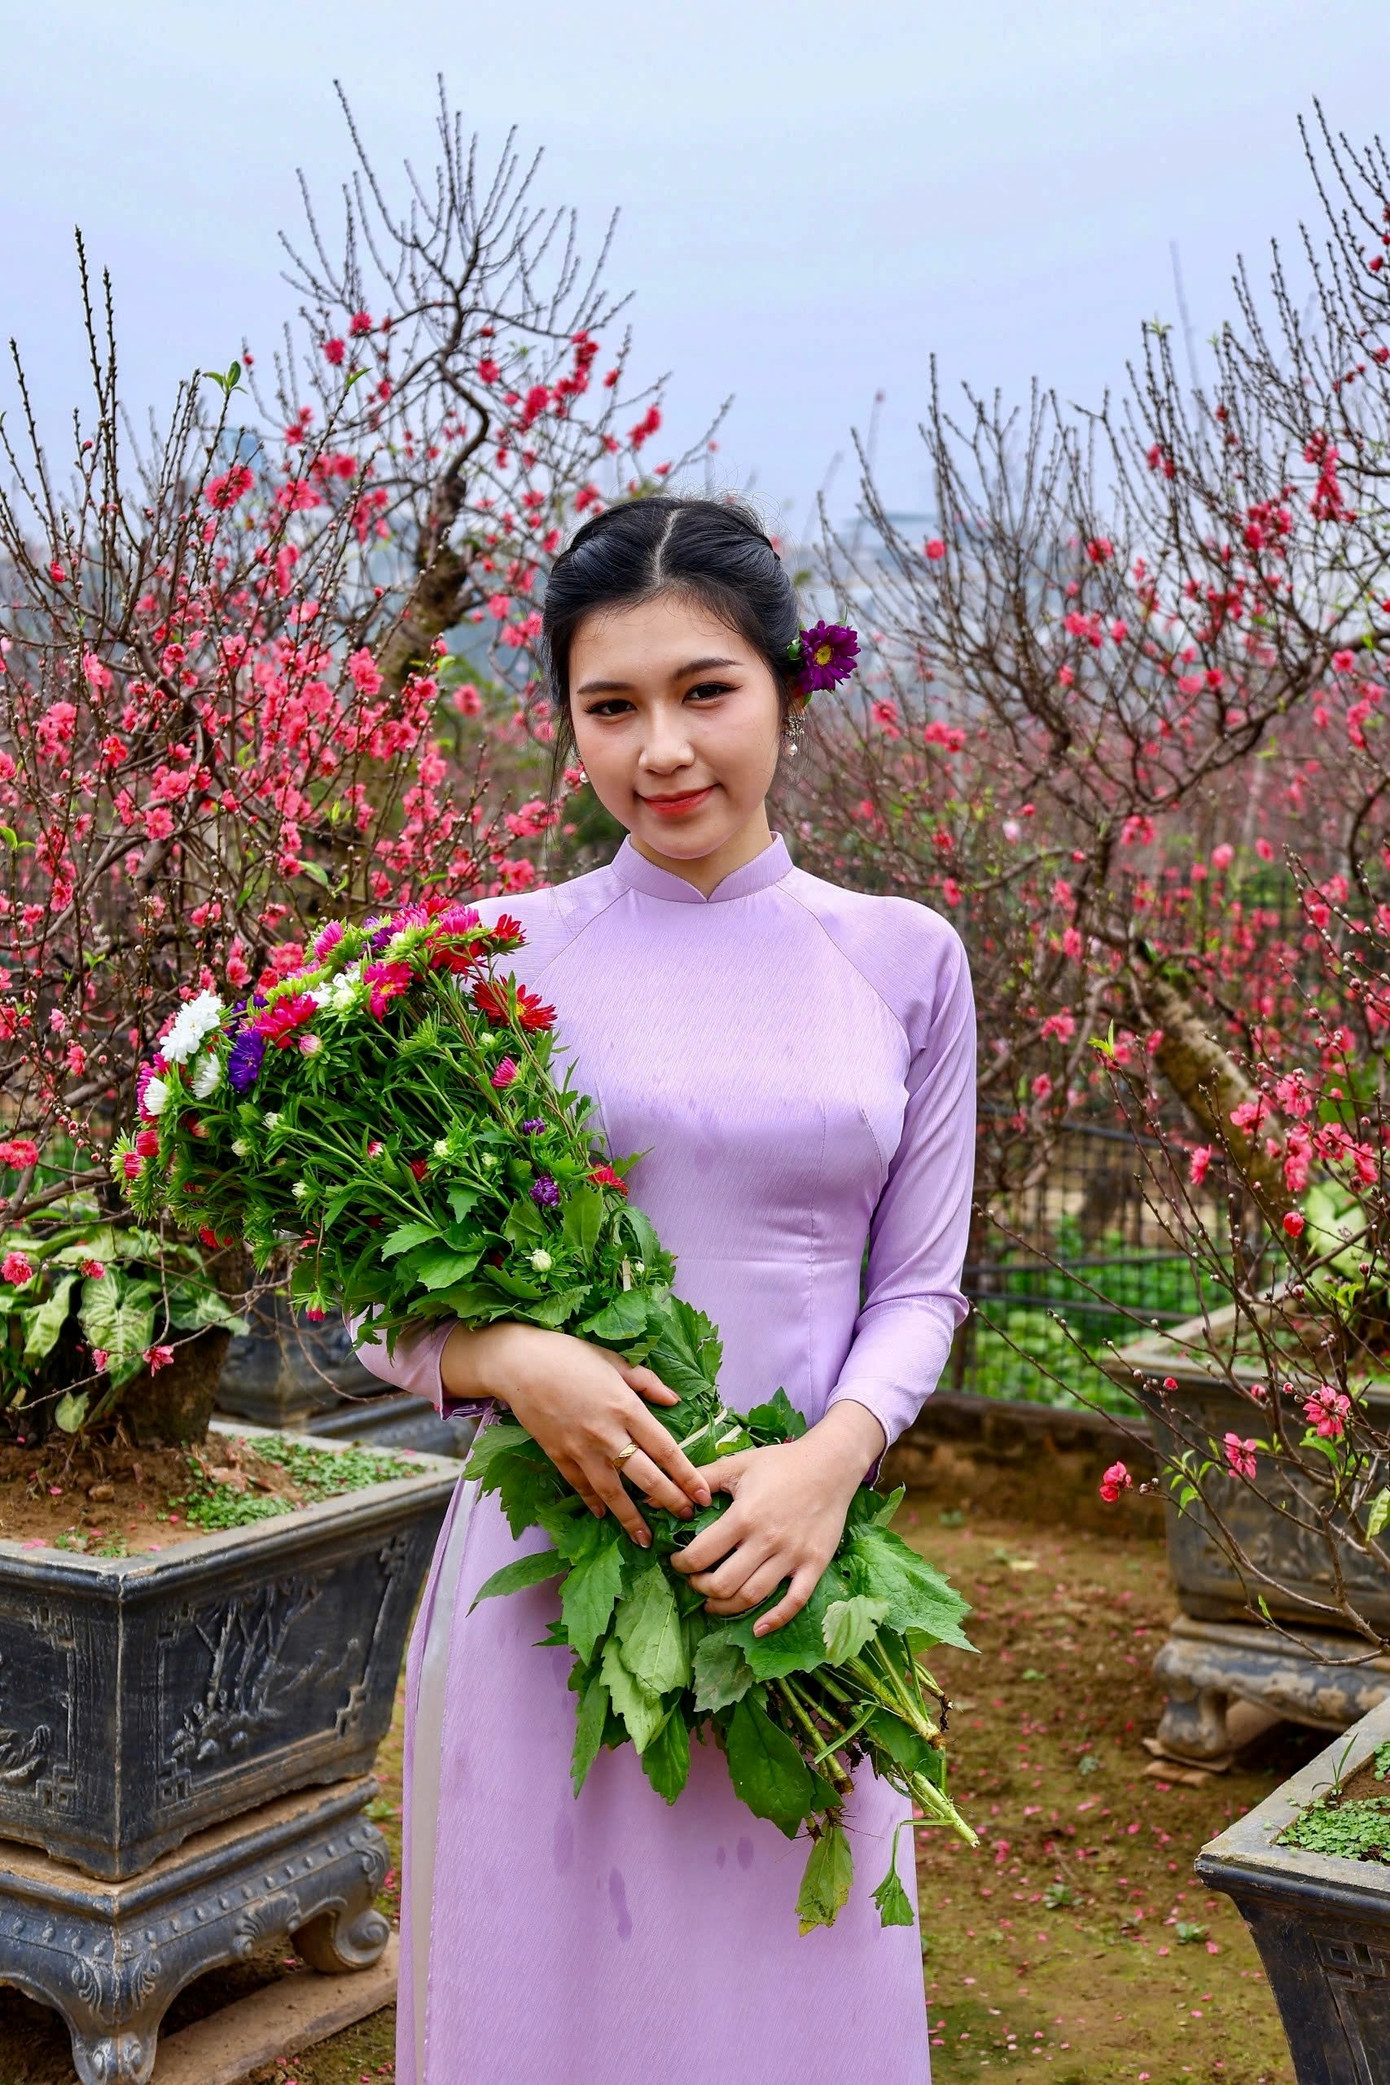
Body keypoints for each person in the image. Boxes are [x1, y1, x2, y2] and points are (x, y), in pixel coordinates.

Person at [353, 495, 977, 2085]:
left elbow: (917, 1287)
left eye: (705, 691)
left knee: (787, 1993)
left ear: (786, 683)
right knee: (537, 2004)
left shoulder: (902, 957)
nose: (662, 750)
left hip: (792, 1576)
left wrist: (828, 1465)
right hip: (540, 1580)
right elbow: (369, 1300)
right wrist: (506, 1357)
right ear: (565, 719)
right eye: (609, 706)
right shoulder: (485, 958)